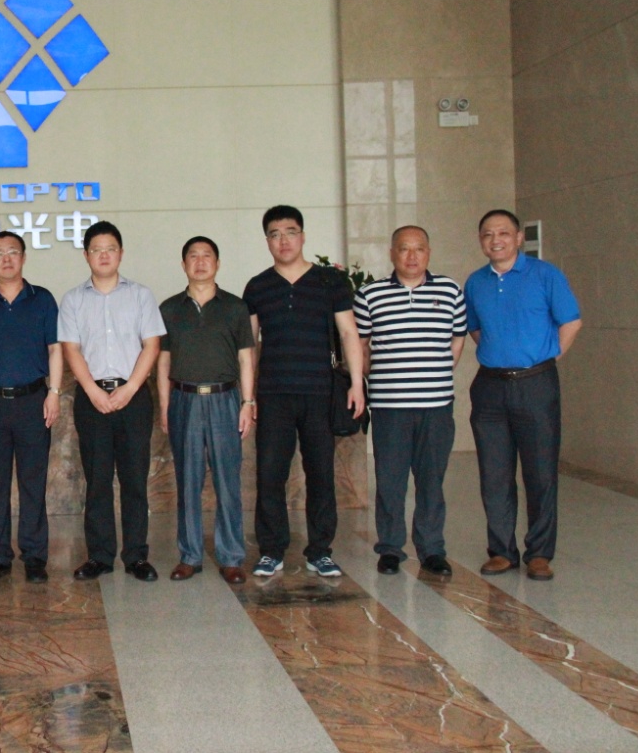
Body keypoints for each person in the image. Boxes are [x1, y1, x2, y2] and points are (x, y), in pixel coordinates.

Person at [243, 205, 364, 578]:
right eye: (275, 234)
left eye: (290, 232)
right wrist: (248, 398)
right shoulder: (258, 286)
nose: (284, 240)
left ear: (303, 236)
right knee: (270, 475)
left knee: (321, 474)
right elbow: (249, 347)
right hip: (273, 395)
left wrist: (357, 383)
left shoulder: (330, 282)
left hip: (320, 393)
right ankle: (271, 550)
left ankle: (320, 550)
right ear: (267, 241)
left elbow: (349, 333)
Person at [465, 209, 581, 581]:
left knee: (540, 472)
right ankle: (501, 551)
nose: (495, 240)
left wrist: (546, 358)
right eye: (487, 234)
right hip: (490, 387)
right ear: (481, 241)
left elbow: (571, 321)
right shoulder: (476, 282)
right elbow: (475, 329)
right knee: (494, 473)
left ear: (518, 238)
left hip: (536, 384)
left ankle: (539, 554)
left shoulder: (546, 275)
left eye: (503, 233)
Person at [355, 226, 466, 578]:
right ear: (392, 253)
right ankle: (390, 548)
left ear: (429, 252)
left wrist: (436, 373)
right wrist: (379, 377)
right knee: (390, 480)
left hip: (436, 405)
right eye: (404, 249)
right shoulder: (370, 295)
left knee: (431, 479)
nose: (412, 256)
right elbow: (361, 345)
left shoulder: (449, 291)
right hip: (390, 406)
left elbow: (457, 340)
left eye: (419, 248)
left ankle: (432, 549)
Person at [59, 220, 166, 582]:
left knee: (135, 480)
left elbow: (152, 345)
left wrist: (130, 388)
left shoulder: (141, 295)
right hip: (92, 399)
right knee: (98, 480)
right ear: (86, 255)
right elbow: (71, 349)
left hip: (133, 397)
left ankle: (136, 556)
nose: (103, 255)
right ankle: (100, 556)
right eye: (96, 250)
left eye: (110, 249)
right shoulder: (73, 299)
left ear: (120, 253)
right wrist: (92, 390)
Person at [0, 231, 61, 585]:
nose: (6, 259)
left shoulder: (42, 299)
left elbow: (55, 349)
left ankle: (34, 556)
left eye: (13, 252)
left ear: (23, 257)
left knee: (33, 482)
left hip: (34, 401)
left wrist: (54, 392)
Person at [157, 236, 255, 585]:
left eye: (207, 256)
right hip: (183, 399)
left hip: (224, 398)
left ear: (217, 263)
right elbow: (163, 360)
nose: (200, 262)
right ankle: (190, 555)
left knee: (228, 480)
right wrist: (165, 405)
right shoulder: (169, 309)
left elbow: (246, 358)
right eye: (193, 256)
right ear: (183, 264)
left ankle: (231, 557)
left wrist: (248, 402)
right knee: (188, 480)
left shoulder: (235, 307)